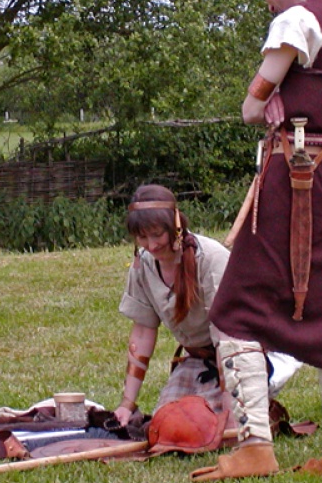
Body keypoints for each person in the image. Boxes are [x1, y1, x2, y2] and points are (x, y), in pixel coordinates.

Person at [191, 0, 322, 483]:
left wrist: (265, 100)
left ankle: (255, 447)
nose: (265, 2)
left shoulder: (296, 20)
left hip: (294, 182)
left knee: (234, 311)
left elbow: (252, 105)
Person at [114, 184, 300, 429]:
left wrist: (229, 411)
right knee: (168, 425)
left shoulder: (211, 258)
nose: (151, 245)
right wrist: (127, 404)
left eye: (157, 234)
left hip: (242, 353)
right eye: (142, 237)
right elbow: (142, 332)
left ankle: (259, 394)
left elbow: (228, 335)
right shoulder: (144, 267)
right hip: (201, 361)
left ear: (176, 225)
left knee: (209, 426)